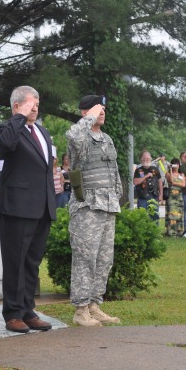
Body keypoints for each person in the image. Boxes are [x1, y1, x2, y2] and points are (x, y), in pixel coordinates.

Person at [0, 85, 56, 333]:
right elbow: (6, 146)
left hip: (42, 207)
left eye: (38, 104)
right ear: (17, 105)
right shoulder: (6, 129)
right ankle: (12, 314)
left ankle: (28, 310)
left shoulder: (41, 131)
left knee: (32, 262)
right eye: (31, 104)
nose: (36, 108)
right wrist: (19, 117)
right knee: (15, 262)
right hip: (18, 207)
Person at [66, 95, 122, 327]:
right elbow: (72, 135)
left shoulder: (106, 138)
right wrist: (89, 118)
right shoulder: (80, 137)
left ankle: (93, 305)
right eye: (97, 109)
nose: (102, 112)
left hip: (107, 206)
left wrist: (117, 194)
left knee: (103, 259)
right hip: (87, 207)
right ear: (85, 113)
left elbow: (114, 169)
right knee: (85, 258)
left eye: (103, 109)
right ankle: (80, 310)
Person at [133, 150, 162, 221]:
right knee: (142, 217)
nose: (146, 160)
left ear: (151, 159)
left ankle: (154, 231)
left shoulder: (155, 169)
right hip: (142, 197)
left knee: (154, 216)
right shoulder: (138, 170)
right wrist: (145, 176)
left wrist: (161, 194)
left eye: (148, 159)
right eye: (144, 159)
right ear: (141, 160)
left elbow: (160, 182)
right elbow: (135, 182)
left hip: (154, 196)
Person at [165, 158, 186, 236]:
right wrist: (170, 169)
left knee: (179, 213)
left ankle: (179, 231)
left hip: (179, 196)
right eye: (174, 164)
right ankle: (171, 231)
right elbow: (170, 180)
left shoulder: (182, 174)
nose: (176, 166)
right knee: (172, 213)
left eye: (177, 164)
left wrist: (175, 183)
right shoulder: (168, 173)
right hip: (171, 196)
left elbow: (184, 184)